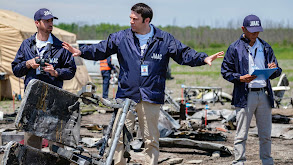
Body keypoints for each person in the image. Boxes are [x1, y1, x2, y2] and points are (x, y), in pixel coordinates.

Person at [63, 3, 224, 164]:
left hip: (151, 96)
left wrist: (203, 58)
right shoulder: (122, 37)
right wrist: (82, 51)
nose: (131, 21)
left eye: (135, 19)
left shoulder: (164, 39)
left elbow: (184, 53)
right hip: (126, 96)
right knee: (118, 137)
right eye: (130, 18)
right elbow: (102, 48)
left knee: (151, 138)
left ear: (146, 20)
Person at [11, 8, 76, 149]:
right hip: (32, 99)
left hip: (55, 99)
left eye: (51, 20)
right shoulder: (26, 45)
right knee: (31, 141)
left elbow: (71, 71)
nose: (50, 23)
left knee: (56, 141)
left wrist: (56, 72)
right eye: (46, 21)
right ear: (37, 23)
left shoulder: (61, 47)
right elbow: (16, 70)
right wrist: (28, 64)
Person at [221, 14, 282, 165]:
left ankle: (267, 162)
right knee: (241, 134)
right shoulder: (234, 47)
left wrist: (274, 69)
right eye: (252, 30)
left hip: (264, 94)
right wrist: (240, 78)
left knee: (266, 134)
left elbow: (277, 71)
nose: (255, 33)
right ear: (243, 29)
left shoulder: (265, 47)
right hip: (245, 95)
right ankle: (239, 162)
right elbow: (225, 71)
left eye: (258, 30)